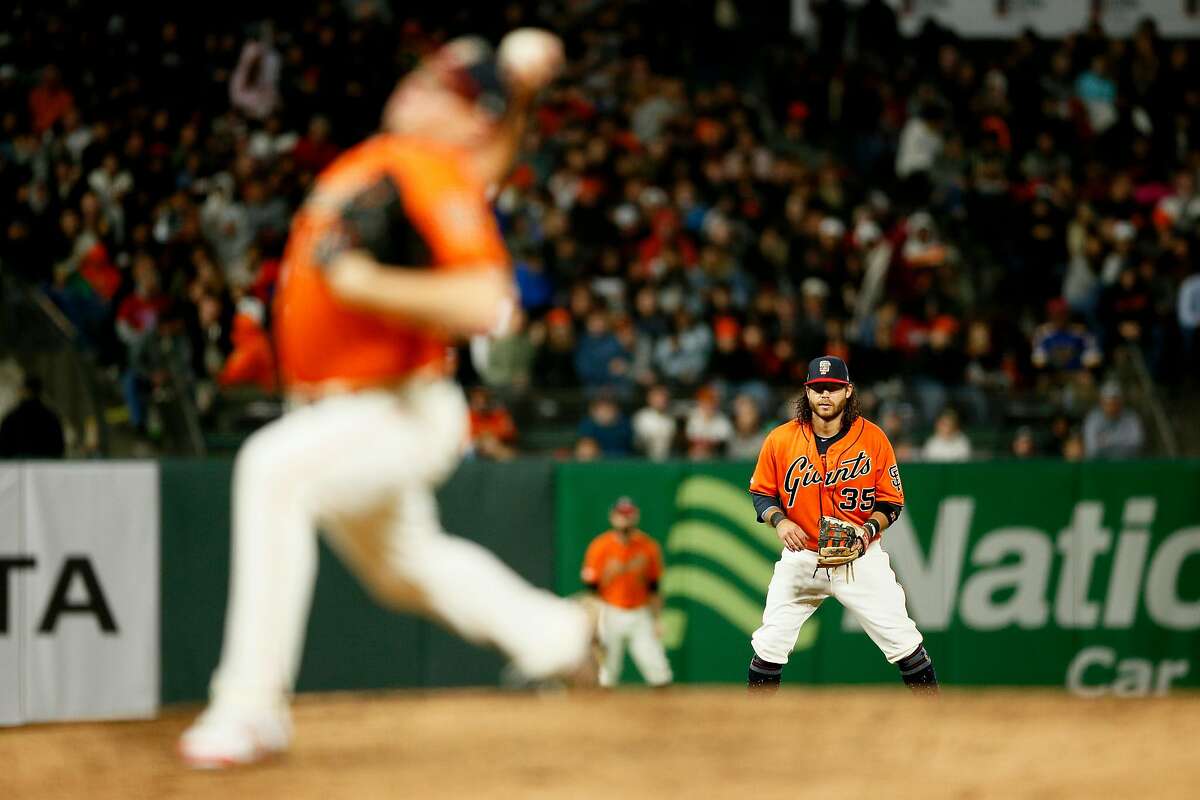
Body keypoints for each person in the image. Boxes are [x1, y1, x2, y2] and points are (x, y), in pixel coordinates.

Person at [180, 31, 601, 768]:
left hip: (393, 407)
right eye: (425, 75)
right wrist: (514, 92)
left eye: (443, 88)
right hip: (337, 411)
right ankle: (561, 635)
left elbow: (485, 299)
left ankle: (248, 709)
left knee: (272, 472)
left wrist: (366, 284)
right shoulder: (391, 163)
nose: (417, 87)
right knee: (407, 566)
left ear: (468, 121)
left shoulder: (425, 166)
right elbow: (488, 164)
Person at [746, 356, 937, 694]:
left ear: (848, 391)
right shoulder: (780, 439)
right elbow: (762, 493)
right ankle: (757, 729)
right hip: (802, 556)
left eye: (832, 388)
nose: (825, 395)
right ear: (806, 393)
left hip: (859, 558)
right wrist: (780, 521)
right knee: (769, 644)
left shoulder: (874, 438)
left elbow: (891, 502)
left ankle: (935, 717)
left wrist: (867, 531)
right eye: (818, 388)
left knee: (903, 640)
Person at [581, 497, 673, 689]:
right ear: (612, 517)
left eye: (628, 515)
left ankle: (666, 715)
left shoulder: (648, 547)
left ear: (635, 517)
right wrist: (593, 624)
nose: (625, 519)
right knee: (606, 673)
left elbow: (654, 588)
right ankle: (600, 715)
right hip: (609, 612)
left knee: (659, 670)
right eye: (621, 515)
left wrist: (657, 620)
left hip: (640, 613)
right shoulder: (600, 546)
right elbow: (591, 592)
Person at [0, 377, 66, 458]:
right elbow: (59, 449)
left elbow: (3, 450)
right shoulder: (52, 418)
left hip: (16, 467)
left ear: (24, 391)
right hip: (46, 467)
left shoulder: (11, 419)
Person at [1082, 382, 1144, 459]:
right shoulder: (1093, 418)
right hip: (1100, 465)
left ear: (1121, 402)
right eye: (1108, 403)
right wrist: (1121, 442)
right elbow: (1092, 448)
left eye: (1115, 402)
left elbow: (1137, 443)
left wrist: (1107, 441)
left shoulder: (1131, 417)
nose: (1112, 407)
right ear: (1102, 403)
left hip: (1127, 464)